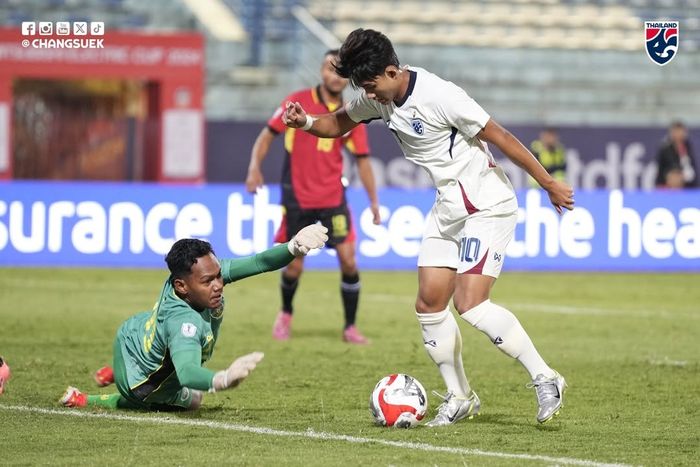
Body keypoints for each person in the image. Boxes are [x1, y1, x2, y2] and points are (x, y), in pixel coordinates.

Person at [281, 29, 575, 425]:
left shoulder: (441, 96)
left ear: (391, 70)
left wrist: (549, 183)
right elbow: (338, 123)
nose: (369, 95)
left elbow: (500, 136)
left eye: (372, 86)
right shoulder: (377, 96)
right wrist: (306, 122)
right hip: (449, 208)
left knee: (470, 303)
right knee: (430, 304)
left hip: (486, 204)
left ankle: (546, 377)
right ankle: (460, 397)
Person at [60, 224, 328, 411]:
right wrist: (222, 379)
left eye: (219, 275)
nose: (218, 284)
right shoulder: (183, 323)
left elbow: (259, 262)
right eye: (208, 281)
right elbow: (187, 372)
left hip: (133, 334)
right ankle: (89, 397)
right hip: (142, 384)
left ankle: (116, 370)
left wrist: (294, 246)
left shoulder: (196, 276)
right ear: (181, 286)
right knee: (195, 400)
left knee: (164, 347)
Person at [246, 49, 381, 344]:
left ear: (348, 78)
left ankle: (350, 327)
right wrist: (254, 167)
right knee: (293, 264)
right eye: (329, 69)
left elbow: (363, 159)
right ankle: (285, 314)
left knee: (349, 261)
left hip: (333, 199)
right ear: (321, 72)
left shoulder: (352, 112)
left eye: (340, 71)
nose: (334, 75)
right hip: (298, 199)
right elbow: (268, 134)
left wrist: (373, 201)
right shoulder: (297, 102)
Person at [655, 121, 698, 189]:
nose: (679, 134)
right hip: (668, 179)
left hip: (685, 181)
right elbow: (661, 168)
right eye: (676, 131)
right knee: (674, 177)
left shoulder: (688, 147)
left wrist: (683, 176)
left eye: (681, 131)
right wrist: (672, 174)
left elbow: (692, 167)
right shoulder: (665, 148)